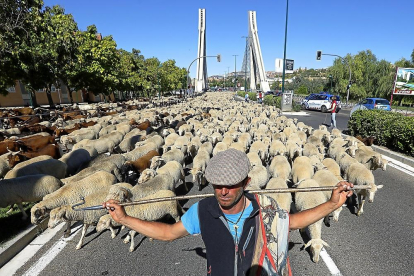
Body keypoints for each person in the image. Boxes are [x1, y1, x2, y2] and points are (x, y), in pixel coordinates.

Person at [104, 149, 353, 276]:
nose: (223, 192)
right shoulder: (202, 210)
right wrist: (125, 218)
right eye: (217, 185)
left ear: (245, 183)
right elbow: (169, 233)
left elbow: (296, 222)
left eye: (230, 185)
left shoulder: (264, 207)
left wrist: (332, 204)